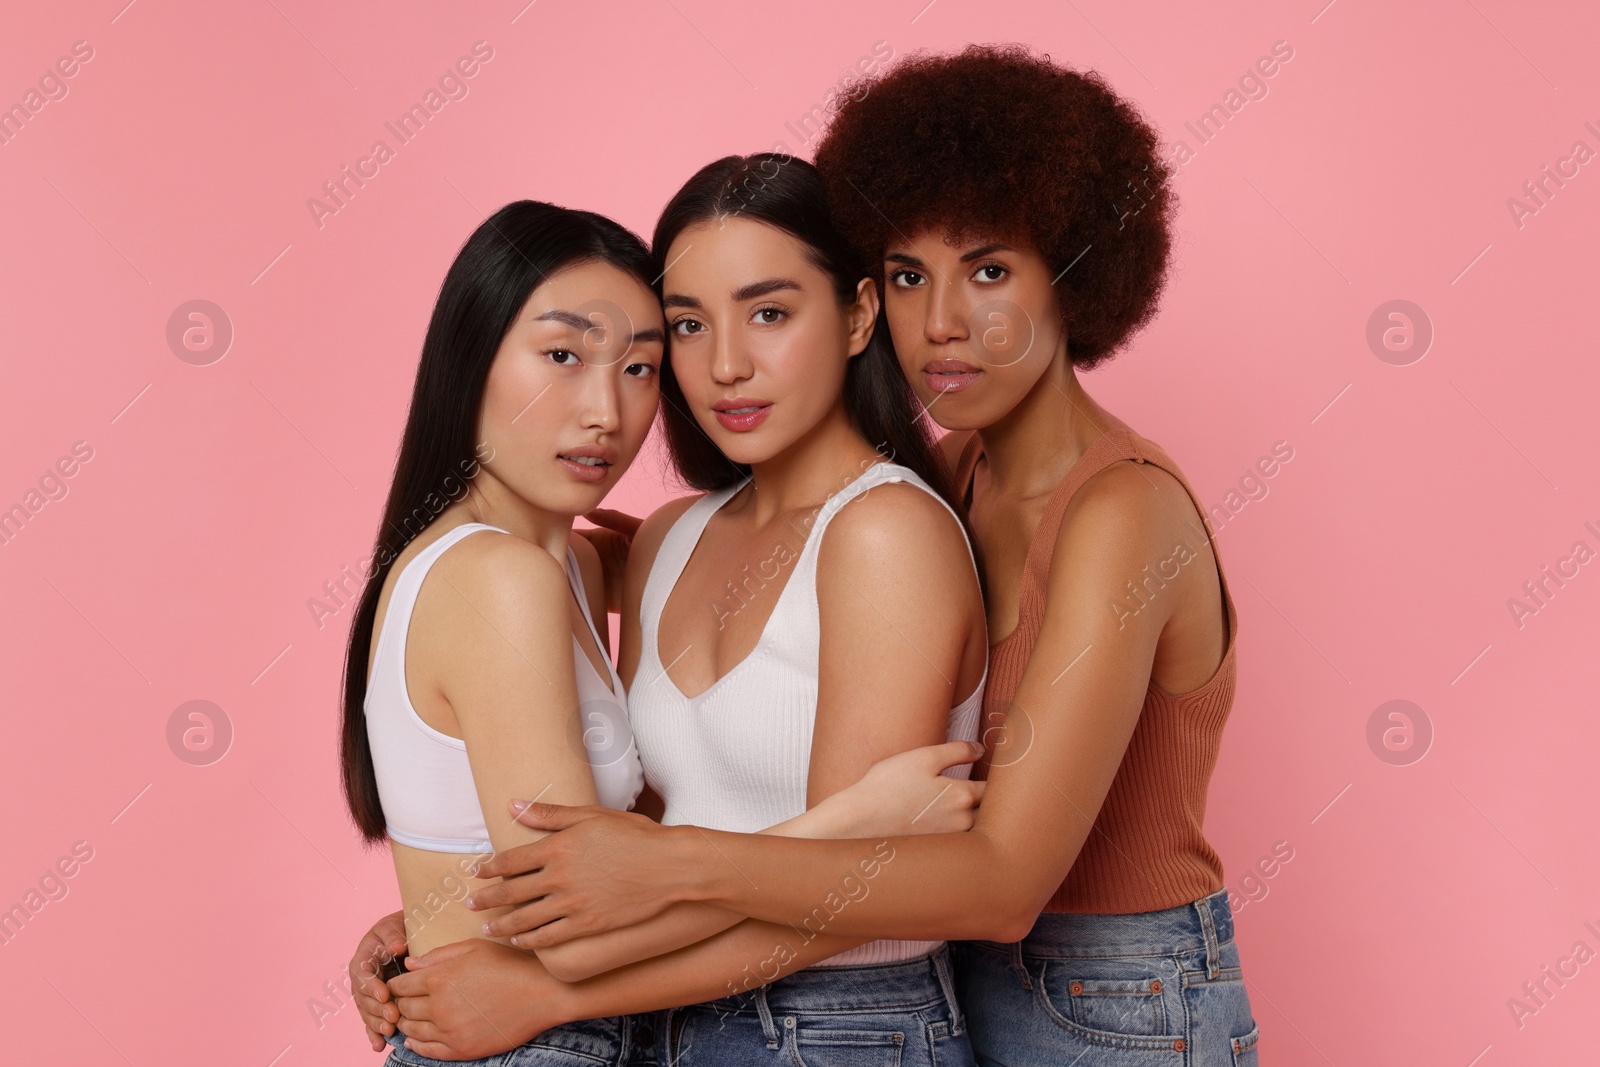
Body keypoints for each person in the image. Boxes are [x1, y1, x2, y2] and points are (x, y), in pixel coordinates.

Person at [433, 45, 1261, 1066]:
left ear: (1081, 267)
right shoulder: (956, 475)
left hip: (1116, 991)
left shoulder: (1119, 513)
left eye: (989, 271)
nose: (941, 324)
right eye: (909, 275)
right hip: (946, 968)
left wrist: (661, 872)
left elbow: (1000, 882)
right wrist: (465, 925)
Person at [348, 156, 991, 1066]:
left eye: (769, 313)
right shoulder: (663, 539)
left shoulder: (885, 533)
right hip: (662, 1025)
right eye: (690, 325)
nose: (726, 365)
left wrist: (520, 969)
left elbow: (856, 900)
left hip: (838, 1024)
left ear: (856, 314)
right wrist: (455, 909)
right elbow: (613, 856)